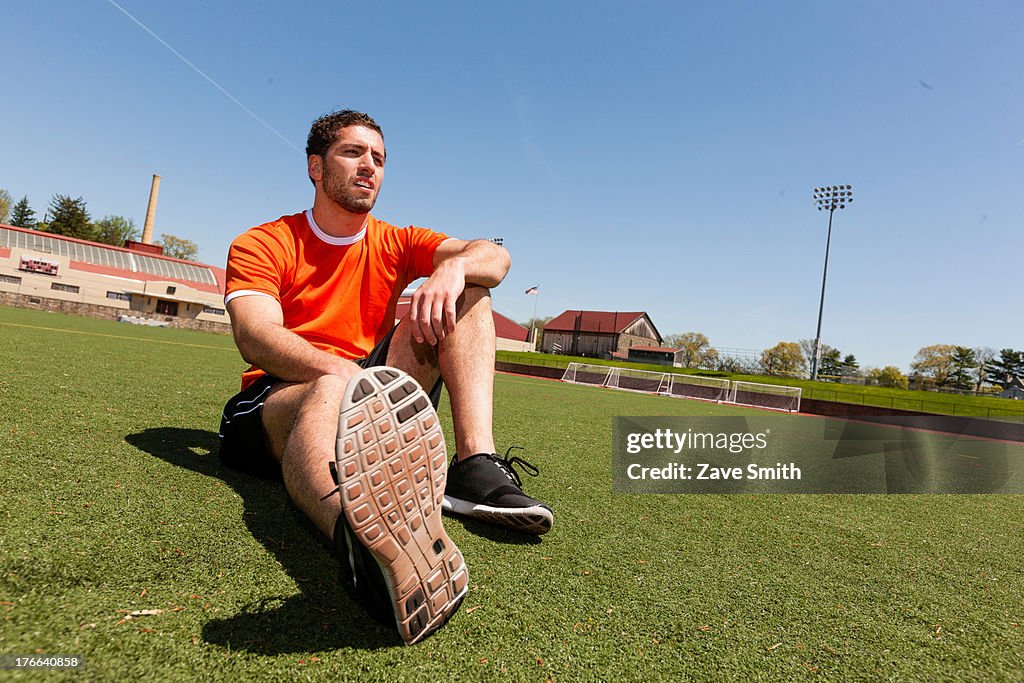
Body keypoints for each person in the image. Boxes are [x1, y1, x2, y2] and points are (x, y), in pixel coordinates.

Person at [217, 110, 552, 645]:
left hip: (367, 390)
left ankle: (474, 468)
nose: (369, 166)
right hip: (278, 396)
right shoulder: (265, 241)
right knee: (331, 384)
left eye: (379, 158)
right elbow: (256, 335)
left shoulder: (396, 240)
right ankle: (363, 551)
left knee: (470, 290)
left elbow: (497, 256)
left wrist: (454, 266)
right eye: (353, 153)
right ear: (315, 167)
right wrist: (345, 376)